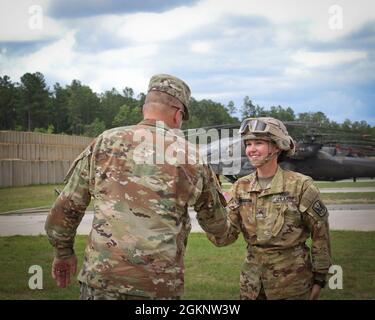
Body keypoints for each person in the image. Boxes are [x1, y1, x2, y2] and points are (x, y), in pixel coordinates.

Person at [45, 74, 228, 300]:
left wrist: (63, 253)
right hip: (158, 286)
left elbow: (67, 206)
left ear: (145, 108)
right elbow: (218, 228)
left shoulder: (105, 141)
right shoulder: (192, 156)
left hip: (102, 280)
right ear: (178, 115)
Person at [209, 117, 332, 300]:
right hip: (252, 288)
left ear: (277, 147)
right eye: (248, 144)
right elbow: (224, 238)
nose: (251, 149)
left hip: (293, 287)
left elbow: (320, 234)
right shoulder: (240, 187)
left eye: (258, 143)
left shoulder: (300, 186)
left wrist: (320, 278)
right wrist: (209, 207)